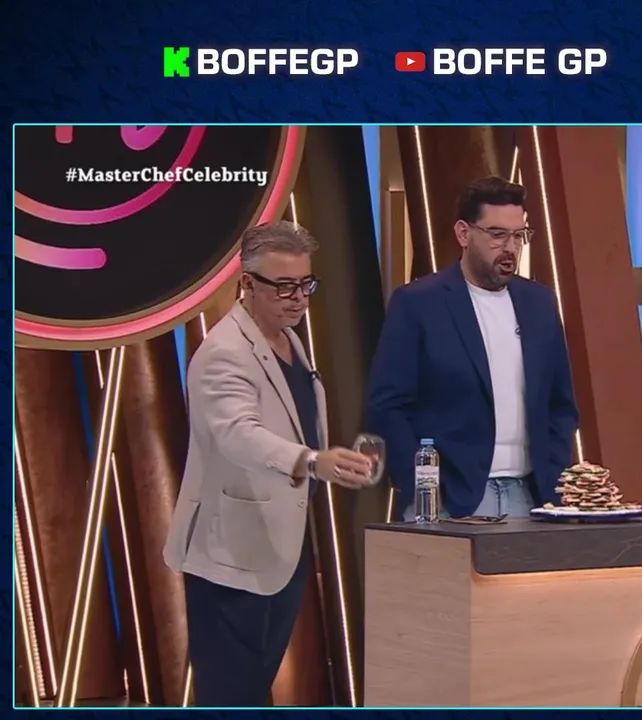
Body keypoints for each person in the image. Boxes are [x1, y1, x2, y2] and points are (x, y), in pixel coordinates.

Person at [163, 221, 373, 705]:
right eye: (284, 286)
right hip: (232, 555)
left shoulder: (288, 339)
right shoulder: (224, 353)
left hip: (279, 545)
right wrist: (312, 461)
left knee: (255, 687)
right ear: (247, 283)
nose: (298, 299)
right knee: (231, 694)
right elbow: (239, 435)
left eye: (305, 285)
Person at [366, 176, 579, 521]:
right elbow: (387, 406)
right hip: (449, 500)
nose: (510, 248)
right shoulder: (419, 303)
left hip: (532, 497)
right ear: (464, 234)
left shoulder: (539, 303)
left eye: (519, 236)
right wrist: (424, 487)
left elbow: (561, 404)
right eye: (497, 235)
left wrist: (554, 473)